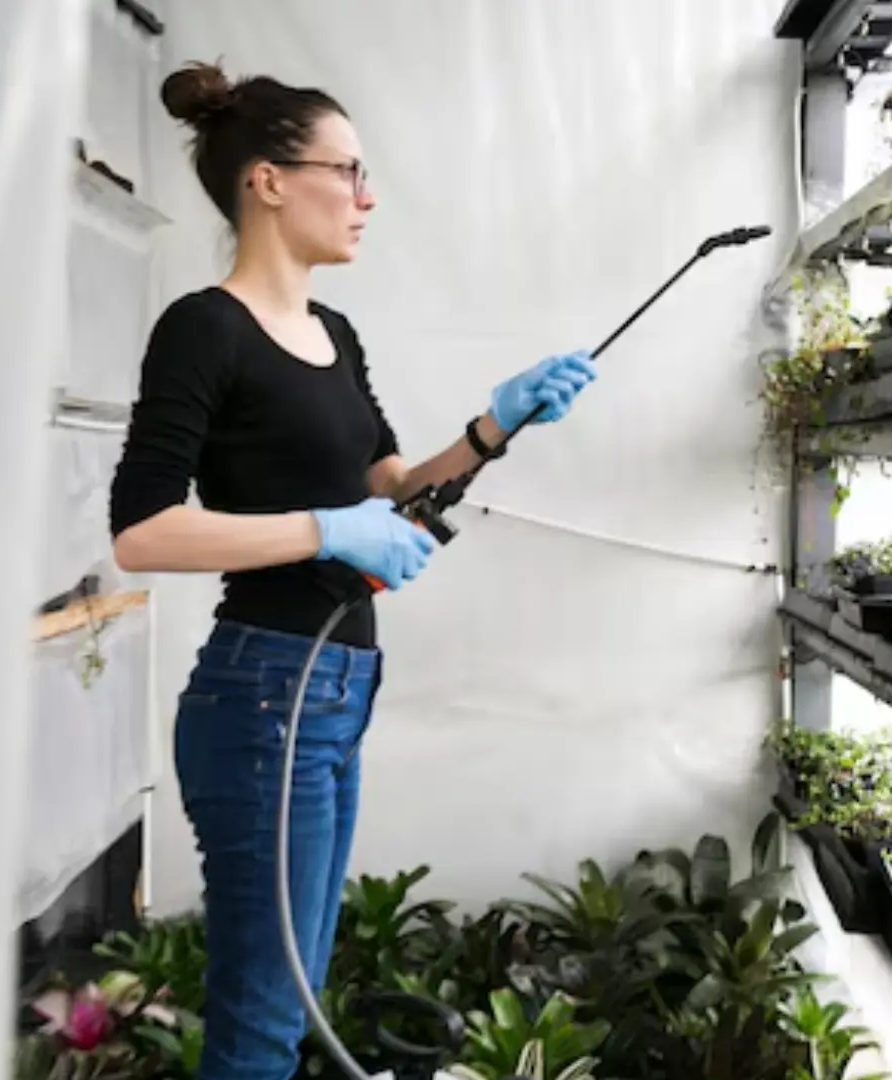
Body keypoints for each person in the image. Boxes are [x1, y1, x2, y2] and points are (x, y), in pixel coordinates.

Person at [108, 60, 598, 1080]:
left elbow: (393, 491)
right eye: (350, 171)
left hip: (333, 694)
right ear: (269, 181)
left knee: (290, 999)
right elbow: (143, 531)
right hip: (263, 699)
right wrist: (326, 533)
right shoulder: (204, 329)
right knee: (262, 1021)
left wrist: (489, 428)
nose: (368, 198)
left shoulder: (334, 334)